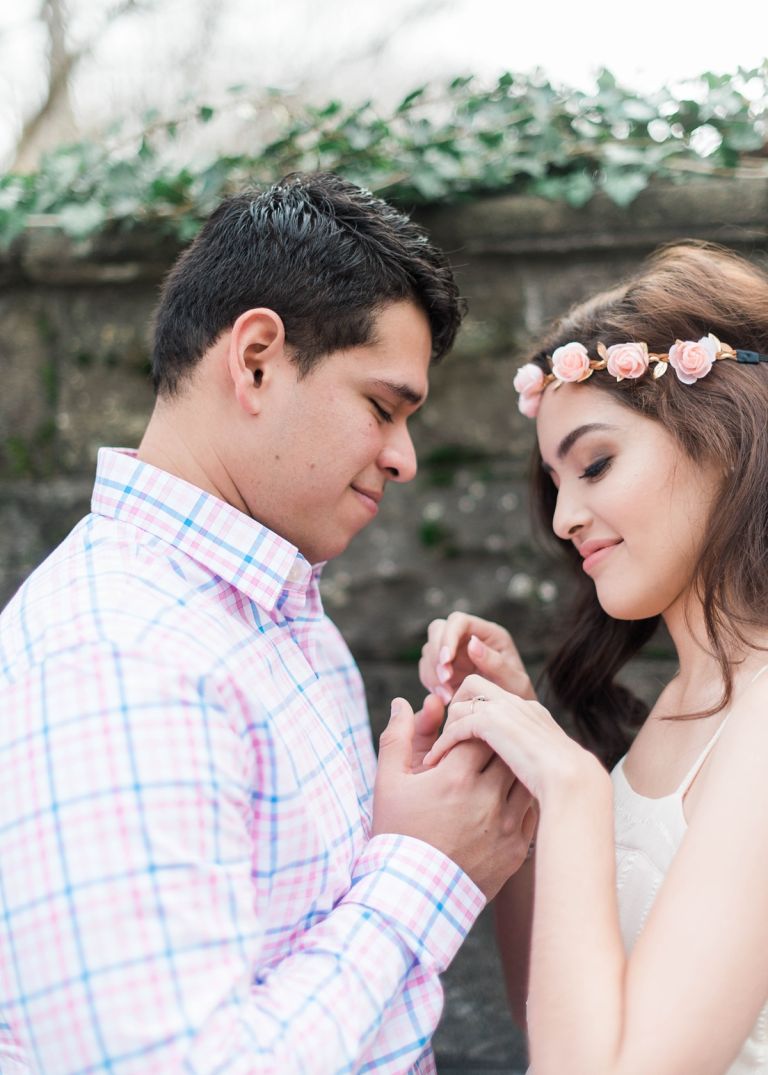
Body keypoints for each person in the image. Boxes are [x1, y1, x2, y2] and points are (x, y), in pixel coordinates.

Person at [0, 173, 534, 1074]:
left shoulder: (278, 609)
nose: (403, 458)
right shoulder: (118, 654)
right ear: (256, 359)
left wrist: (410, 813)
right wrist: (420, 867)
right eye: (382, 406)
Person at [419, 241, 768, 1075]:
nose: (567, 516)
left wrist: (574, 787)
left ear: (723, 435)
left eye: (596, 463)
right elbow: (553, 1014)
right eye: (554, 482)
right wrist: (523, 769)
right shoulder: (689, 702)